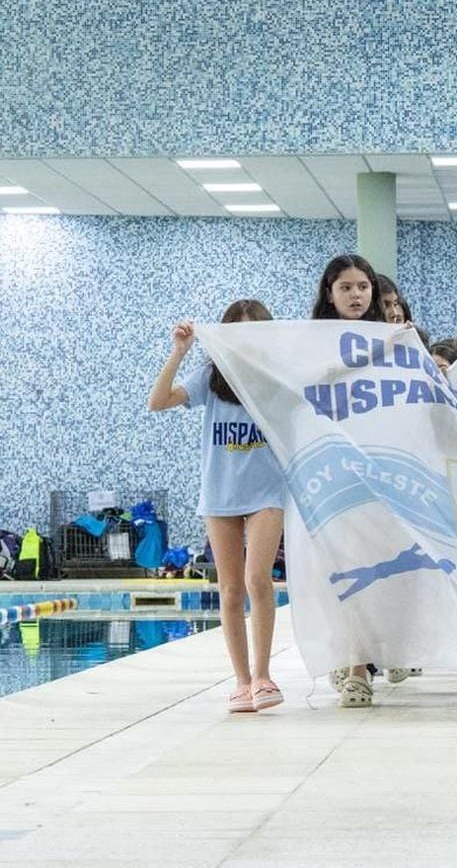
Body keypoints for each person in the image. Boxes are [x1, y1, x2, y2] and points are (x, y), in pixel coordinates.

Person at [148, 300, 285, 714]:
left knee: (257, 579)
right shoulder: (211, 377)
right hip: (221, 494)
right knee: (230, 589)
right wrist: (179, 351)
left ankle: (263, 675)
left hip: (267, 492)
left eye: (253, 331)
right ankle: (241, 681)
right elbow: (158, 401)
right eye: (236, 331)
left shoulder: (277, 377)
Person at [313, 254, 388, 706]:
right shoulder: (308, 343)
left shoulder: (389, 343)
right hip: (328, 474)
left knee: (373, 573)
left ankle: (363, 662)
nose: (356, 295)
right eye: (346, 287)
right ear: (330, 293)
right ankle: (351, 661)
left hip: (379, 473)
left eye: (363, 286)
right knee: (338, 574)